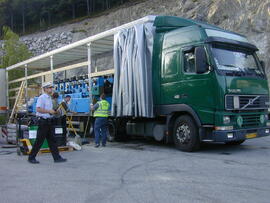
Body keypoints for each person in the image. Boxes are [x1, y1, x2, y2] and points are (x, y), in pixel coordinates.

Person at [28, 82, 67, 164]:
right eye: (49, 88)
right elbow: (38, 109)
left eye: (51, 88)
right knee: (39, 141)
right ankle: (31, 157)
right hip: (43, 122)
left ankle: (57, 158)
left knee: (52, 141)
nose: (51, 89)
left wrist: (55, 112)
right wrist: (49, 111)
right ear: (45, 89)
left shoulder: (49, 98)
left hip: (49, 121)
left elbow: (48, 111)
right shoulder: (42, 98)